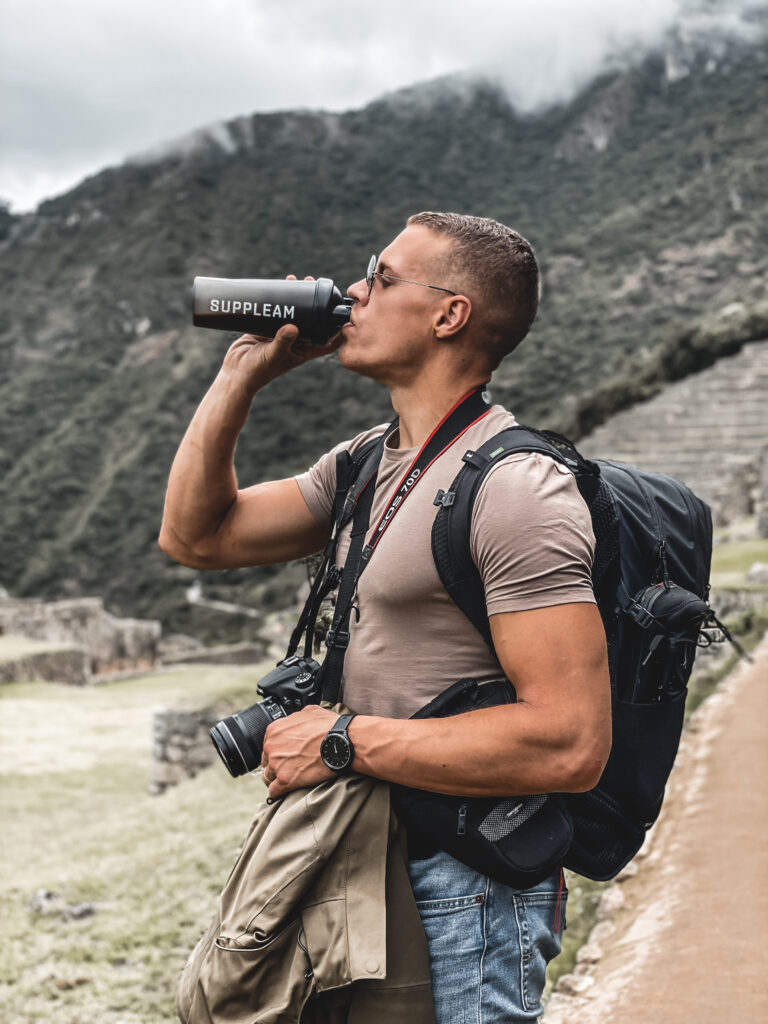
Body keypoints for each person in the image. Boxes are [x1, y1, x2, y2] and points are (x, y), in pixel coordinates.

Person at [159, 212, 612, 1023]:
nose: (355, 290)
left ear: (449, 316)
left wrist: (339, 739)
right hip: (358, 855)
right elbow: (198, 536)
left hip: (467, 879)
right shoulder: (368, 463)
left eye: (384, 277)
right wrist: (241, 376)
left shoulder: (517, 490)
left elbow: (571, 740)